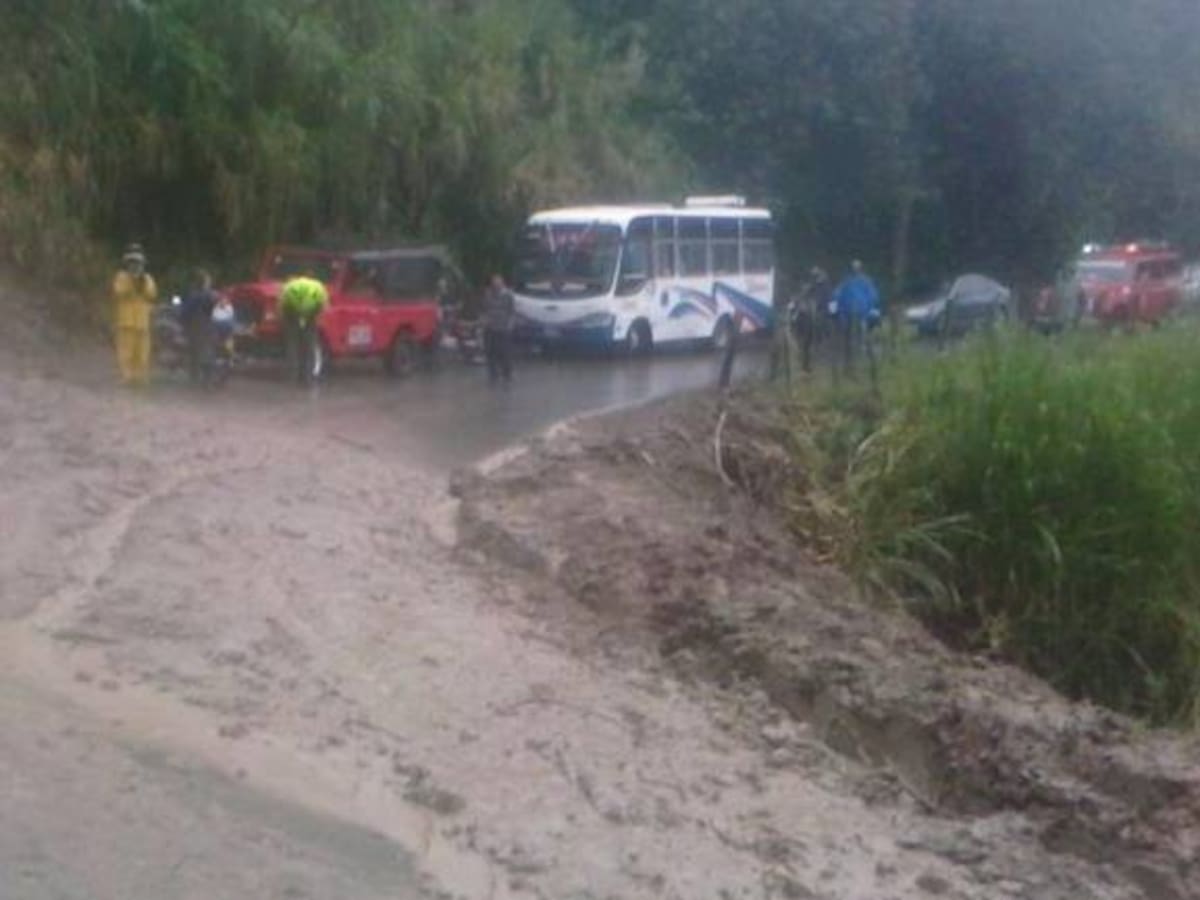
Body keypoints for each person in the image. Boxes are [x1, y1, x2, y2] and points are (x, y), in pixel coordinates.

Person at [111, 243, 157, 386]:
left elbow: (152, 294)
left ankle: (141, 378)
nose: (135, 265)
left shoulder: (147, 278)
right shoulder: (121, 277)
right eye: (132, 262)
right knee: (125, 351)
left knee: (143, 352)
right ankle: (127, 377)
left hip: (142, 321)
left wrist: (142, 282)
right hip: (126, 320)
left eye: (137, 262)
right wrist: (132, 280)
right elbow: (119, 292)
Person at [833, 260, 882, 376]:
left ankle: (856, 367)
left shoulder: (859, 281)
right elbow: (835, 297)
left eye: (856, 268)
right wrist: (836, 314)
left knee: (857, 341)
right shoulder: (849, 282)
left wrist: (873, 314)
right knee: (853, 342)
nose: (856, 270)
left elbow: (874, 298)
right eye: (854, 268)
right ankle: (852, 367)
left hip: (858, 315)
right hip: (853, 315)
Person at [279, 273, 329, 385]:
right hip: (311, 316)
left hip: (292, 316)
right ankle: (308, 377)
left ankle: (292, 376)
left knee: (293, 347)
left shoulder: (289, 286)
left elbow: (282, 304)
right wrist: (315, 317)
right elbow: (323, 304)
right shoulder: (317, 286)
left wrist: (284, 320)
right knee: (310, 347)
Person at [179, 268, 218, 385]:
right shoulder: (211, 294)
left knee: (194, 353)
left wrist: (183, 322)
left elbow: (185, 312)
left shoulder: (195, 295)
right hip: (208, 326)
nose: (209, 282)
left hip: (196, 327)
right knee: (206, 352)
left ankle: (196, 377)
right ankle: (207, 378)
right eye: (208, 280)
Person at [482, 273, 515, 384]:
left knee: (505, 353)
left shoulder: (508, 295)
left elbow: (512, 311)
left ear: (502, 283)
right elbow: (484, 309)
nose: (496, 285)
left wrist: (510, 324)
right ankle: (493, 375)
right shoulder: (488, 294)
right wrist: (484, 320)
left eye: (498, 283)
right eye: (494, 283)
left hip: (503, 328)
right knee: (490, 352)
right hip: (490, 327)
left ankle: (507, 375)